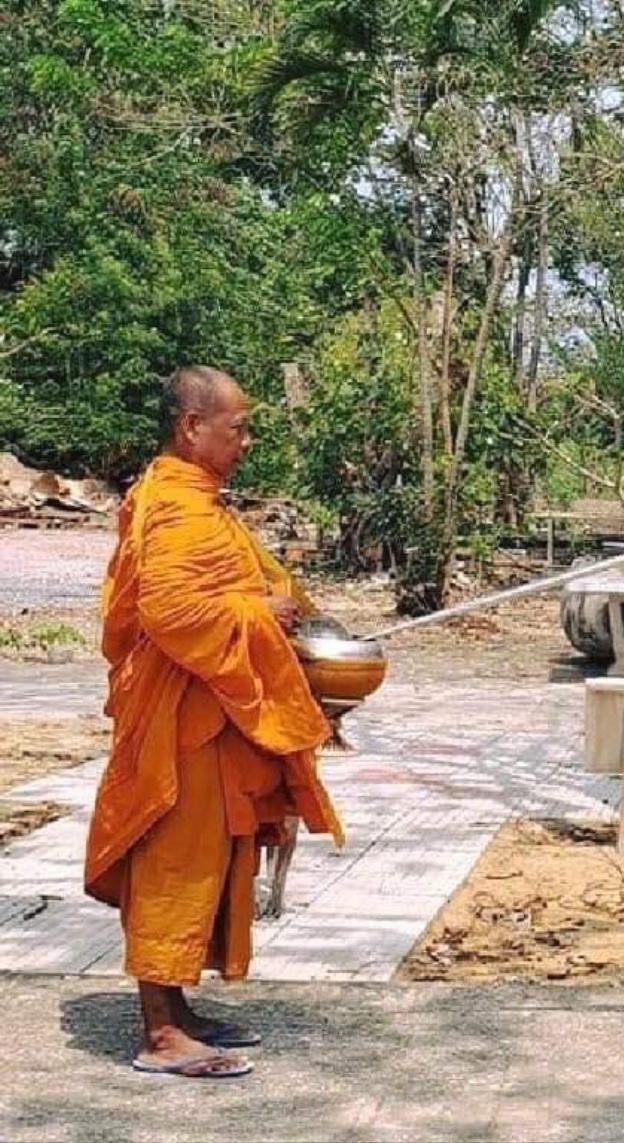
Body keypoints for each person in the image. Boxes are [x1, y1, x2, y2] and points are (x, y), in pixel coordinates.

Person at [84, 366, 344, 1078]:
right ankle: (160, 1033)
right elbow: (170, 613)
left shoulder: (198, 500)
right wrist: (258, 613)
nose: (247, 441)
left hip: (209, 713)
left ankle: (178, 1007)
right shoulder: (173, 504)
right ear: (192, 428)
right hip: (180, 720)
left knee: (211, 855)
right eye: (238, 428)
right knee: (177, 857)